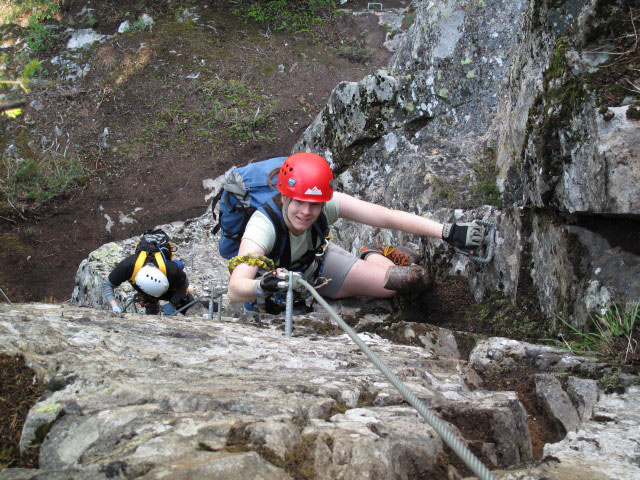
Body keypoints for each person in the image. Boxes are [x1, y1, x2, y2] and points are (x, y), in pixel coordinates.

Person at [227, 152, 484, 312]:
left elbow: (386, 216)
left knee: (401, 283)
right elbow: (236, 289)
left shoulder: (328, 203)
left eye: (314, 204)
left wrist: (447, 231)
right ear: (284, 198)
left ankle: (370, 254)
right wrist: (264, 284)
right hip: (281, 288)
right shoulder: (262, 225)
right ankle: (370, 258)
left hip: (317, 269)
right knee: (399, 283)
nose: (306, 211)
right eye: (299, 202)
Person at [102, 231, 196, 315]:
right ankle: (151, 306)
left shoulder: (171, 269)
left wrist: (173, 304)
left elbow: (184, 283)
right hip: (144, 290)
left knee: (187, 304)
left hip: (169, 288)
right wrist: (114, 305)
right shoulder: (129, 265)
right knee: (150, 304)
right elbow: (107, 284)